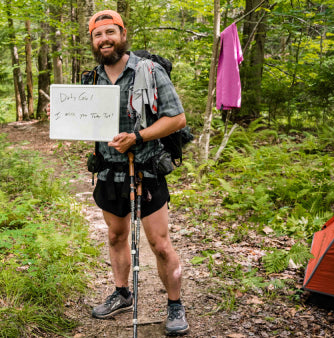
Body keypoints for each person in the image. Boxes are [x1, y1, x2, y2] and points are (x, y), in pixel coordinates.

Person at [83, 10, 189, 336]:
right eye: (98, 35)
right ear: (92, 41)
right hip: (108, 174)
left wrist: (138, 137)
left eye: (110, 32)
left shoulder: (150, 71)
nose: (105, 39)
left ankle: (175, 305)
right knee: (115, 236)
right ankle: (122, 293)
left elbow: (177, 119)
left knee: (159, 242)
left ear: (122, 33)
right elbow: (82, 120)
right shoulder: (91, 79)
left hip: (146, 170)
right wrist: (58, 112)